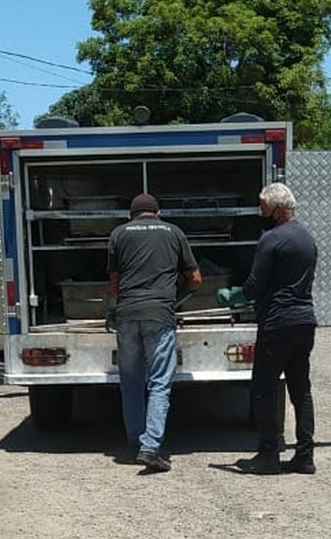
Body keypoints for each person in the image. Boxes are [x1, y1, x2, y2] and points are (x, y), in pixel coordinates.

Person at [107, 192, 202, 472]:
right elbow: (196, 279)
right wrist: (175, 298)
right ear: (157, 212)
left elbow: (114, 284)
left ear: (132, 215)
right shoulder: (174, 232)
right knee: (159, 382)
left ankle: (136, 442)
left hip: (126, 315)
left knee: (131, 382)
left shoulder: (118, 234)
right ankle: (151, 447)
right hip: (159, 315)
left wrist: (112, 311)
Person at [235, 182, 318, 475]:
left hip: (277, 322)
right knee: (301, 390)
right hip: (305, 320)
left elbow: (255, 284)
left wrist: (236, 295)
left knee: (263, 388)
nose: (262, 213)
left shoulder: (271, 240)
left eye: (265, 208)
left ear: (279, 209)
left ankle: (268, 453)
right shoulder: (307, 239)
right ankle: (305, 456)